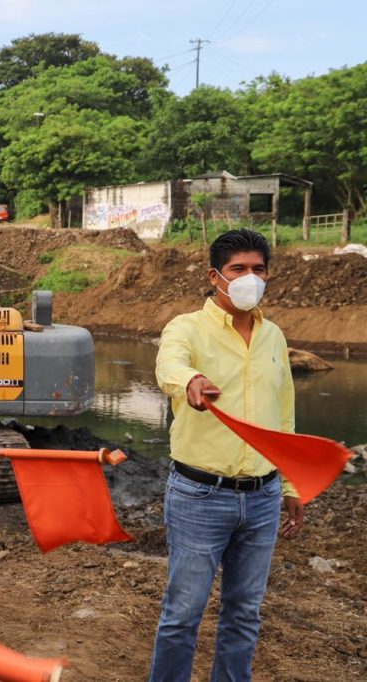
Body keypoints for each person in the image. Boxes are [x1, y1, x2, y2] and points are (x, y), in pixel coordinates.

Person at [149, 229, 304, 682]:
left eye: (258, 269)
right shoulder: (186, 328)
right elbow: (169, 366)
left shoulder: (273, 336)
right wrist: (191, 381)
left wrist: (291, 484)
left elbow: (284, 415)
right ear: (214, 276)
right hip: (200, 495)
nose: (249, 278)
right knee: (183, 613)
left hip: (263, 497)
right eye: (238, 269)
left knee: (245, 613)